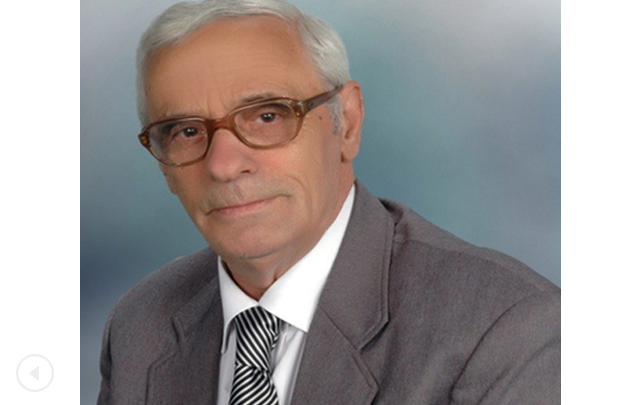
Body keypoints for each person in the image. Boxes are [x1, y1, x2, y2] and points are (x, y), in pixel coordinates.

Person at [97, 0, 560, 404]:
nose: (223, 165)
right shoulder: (140, 326)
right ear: (162, 163)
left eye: (267, 116)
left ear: (348, 123)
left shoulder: (507, 329)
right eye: (186, 131)